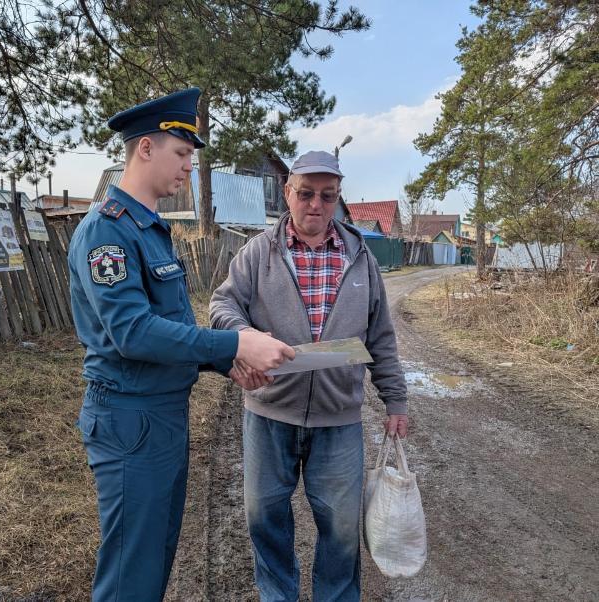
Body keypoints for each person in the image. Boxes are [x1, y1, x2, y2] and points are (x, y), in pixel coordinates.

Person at [68, 87, 295, 602]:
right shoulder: (108, 233)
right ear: (144, 149)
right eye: (182, 154)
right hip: (130, 418)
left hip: (163, 415)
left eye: (191, 157)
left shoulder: (152, 231)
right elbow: (132, 332)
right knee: (132, 573)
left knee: (155, 561)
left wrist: (227, 364)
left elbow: (170, 328)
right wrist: (234, 345)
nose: (189, 167)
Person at [209, 150, 409, 601]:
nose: (316, 205)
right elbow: (222, 305)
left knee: (339, 528)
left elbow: (381, 336)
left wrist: (395, 401)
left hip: (338, 419)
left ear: (337, 198)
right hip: (269, 412)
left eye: (327, 195)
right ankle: (277, 595)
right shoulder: (259, 251)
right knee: (263, 516)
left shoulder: (360, 256)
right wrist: (245, 339)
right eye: (305, 194)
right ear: (288, 194)